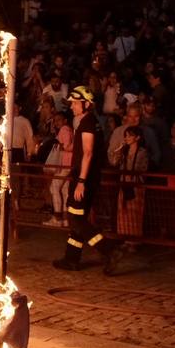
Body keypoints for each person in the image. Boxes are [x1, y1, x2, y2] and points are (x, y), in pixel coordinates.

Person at [52, 86, 119, 273]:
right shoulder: (86, 122)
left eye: (75, 103)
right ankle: (71, 259)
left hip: (85, 180)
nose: (72, 106)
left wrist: (81, 181)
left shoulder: (88, 123)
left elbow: (88, 153)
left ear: (87, 104)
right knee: (77, 219)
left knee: (75, 220)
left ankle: (108, 249)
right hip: (85, 178)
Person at [109, 124, 149, 244]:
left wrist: (131, 175)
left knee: (134, 213)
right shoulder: (124, 151)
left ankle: (134, 241)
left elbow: (141, 167)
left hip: (136, 185)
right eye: (125, 136)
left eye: (130, 136)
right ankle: (125, 239)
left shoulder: (143, 152)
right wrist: (119, 150)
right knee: (123, 212)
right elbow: (114, 162)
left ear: (137, 137)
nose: (127, 138)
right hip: (124, 184)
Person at [44, 110, 73, 227]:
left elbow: (66, 147)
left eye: (59, 120)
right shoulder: (70, 130)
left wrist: (60, 146)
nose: (56, 122)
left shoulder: (64, 130)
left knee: (54, 188)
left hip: (63, 164)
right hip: (69, 164)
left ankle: (57, 217)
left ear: (65, 120)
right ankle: (65, 219)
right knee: (65, 190)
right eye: (55, 120)